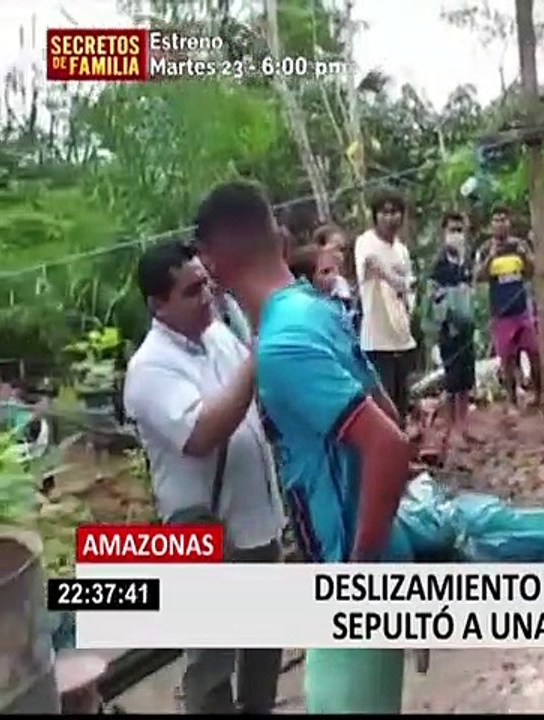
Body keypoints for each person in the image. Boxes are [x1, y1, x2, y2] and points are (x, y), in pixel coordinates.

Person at [193, 181, 413, 713]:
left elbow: (388, 446)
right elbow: (387, 414)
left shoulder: (284, 343)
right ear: (282, 239)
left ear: (210, 262)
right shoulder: (313, 309)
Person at [122, 239, 285, 715]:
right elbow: (201, 433)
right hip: (206, 531)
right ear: (158, 305)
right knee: (212, 659)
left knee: (263, 643)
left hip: (256, 520)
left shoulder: (216, 336)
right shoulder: (149, 368)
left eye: (207, 285)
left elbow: (254, 402)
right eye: (192, 291)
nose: (207, 297)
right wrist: (256, 358)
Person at [354, 187, 418, 433]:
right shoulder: (366, 242)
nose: (391, 218)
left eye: (396, 212)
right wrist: (395, 280)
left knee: (401, 404)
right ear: (375, 216)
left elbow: (409, 290)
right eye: (385, 212)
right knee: (383, 405)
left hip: (401, 337)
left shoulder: (402, 250)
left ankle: (401, 459)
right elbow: (372, 264)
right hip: (376, 340)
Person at [477, 206, 541, 414]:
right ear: (490, 225)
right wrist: (491, 258)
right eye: (496, 220)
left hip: (522, 310)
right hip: (501, 313)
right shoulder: (486, 248)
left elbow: (533, 271)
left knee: (534, 352)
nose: (500, 223)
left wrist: (525, 257)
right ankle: (512, 401)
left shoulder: (519, 245)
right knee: (508, 360)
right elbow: (479, 276)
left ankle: (538, 394)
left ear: (509, 222)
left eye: (503, 219)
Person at [428, 212, 479, 447]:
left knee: (467, 379)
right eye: (452, 230)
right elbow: (433, 298)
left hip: (468, 326)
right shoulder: (439, 264)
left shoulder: (467, 261)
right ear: (444, 232)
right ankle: (451, 429)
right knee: (452, 379)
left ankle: (464, 424)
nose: (457, 235)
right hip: (450, 329)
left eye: (460, 230)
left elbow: (472, 291)